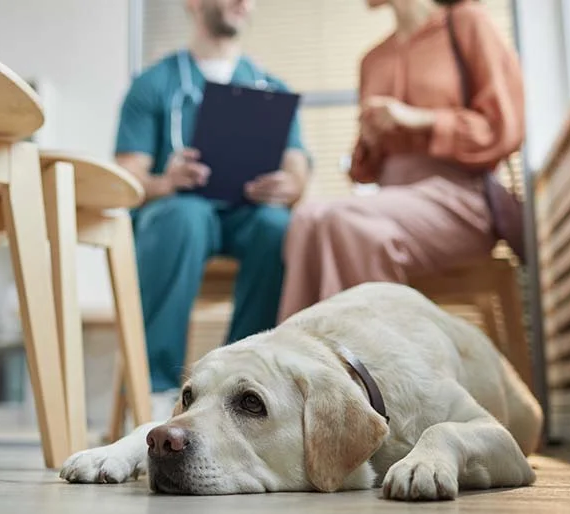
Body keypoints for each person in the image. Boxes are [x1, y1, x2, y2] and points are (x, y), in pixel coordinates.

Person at [115, 0, 310, 415]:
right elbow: (126, 177)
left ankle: (241, 381)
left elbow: (297, 167)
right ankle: (155, 390)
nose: (244, 3)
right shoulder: (154, 84)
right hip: (179, 218)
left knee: (277, 227)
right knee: (182, 216)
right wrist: (165, 182)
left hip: (247, 215)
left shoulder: (270, 87)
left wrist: (288, 184)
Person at [278, 0, 524, 321]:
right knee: (306, 219)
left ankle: (351, 361)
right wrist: (368, 143)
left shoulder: (467, 23)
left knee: (345, 223)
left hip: (459, 198)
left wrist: (421, 120)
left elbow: (504, 128)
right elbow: (364, 171)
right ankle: (307, 362)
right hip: (390, 200)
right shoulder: (373, 60)